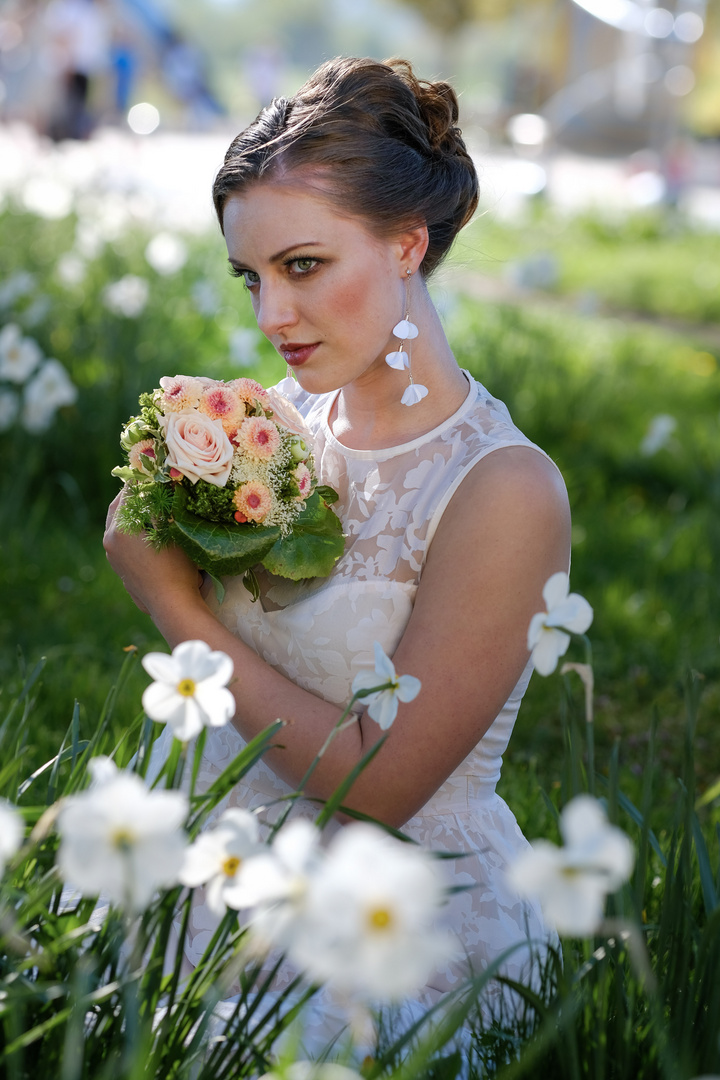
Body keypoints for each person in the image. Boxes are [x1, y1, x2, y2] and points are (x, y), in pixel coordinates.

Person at [104, 56, 571, 1049]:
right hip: (216, 871)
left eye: (303, 266)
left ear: (409, 244)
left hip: (390, 922)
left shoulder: (503, 491)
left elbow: (384, 782)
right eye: (253, 277)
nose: (271, 317)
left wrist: (175, 611)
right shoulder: (276, 427)